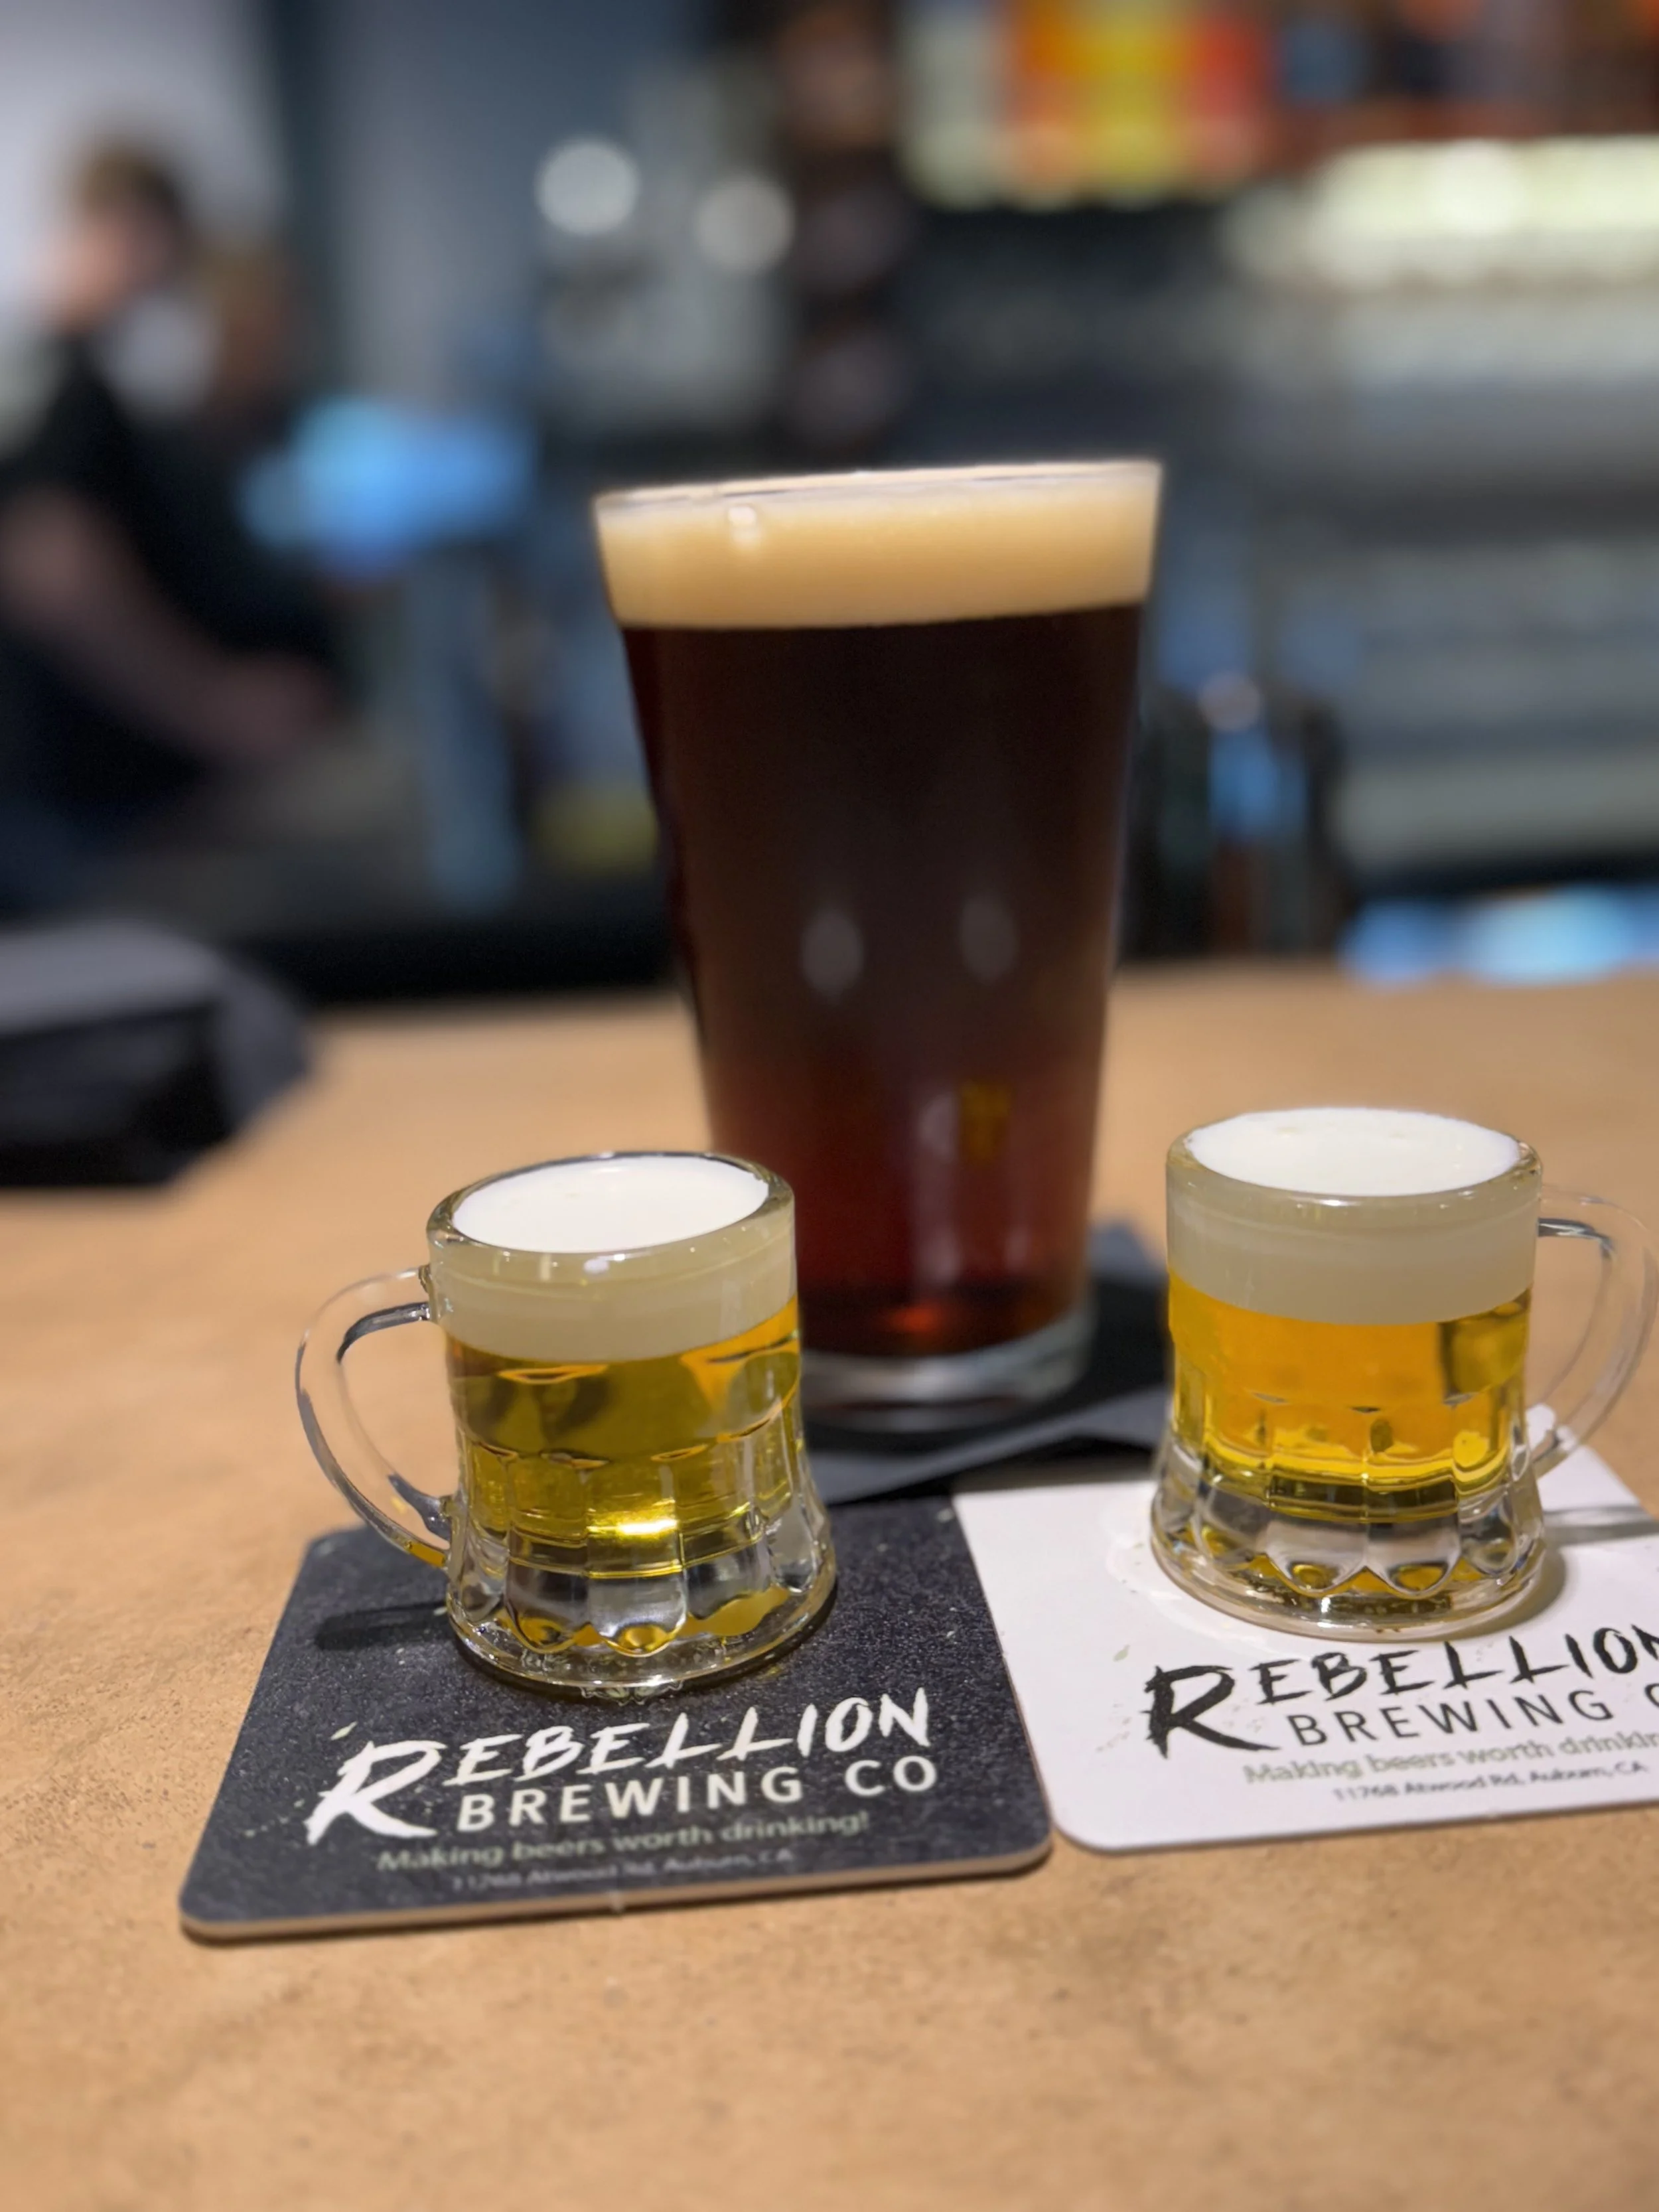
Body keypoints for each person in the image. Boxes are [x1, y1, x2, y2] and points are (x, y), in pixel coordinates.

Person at [0, 144, 338, 908]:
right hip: (89, 812)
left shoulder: (58, 370)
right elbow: (54, 567)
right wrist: (216, 706)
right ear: (139, 231)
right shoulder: (64, 379)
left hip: (91, 806)